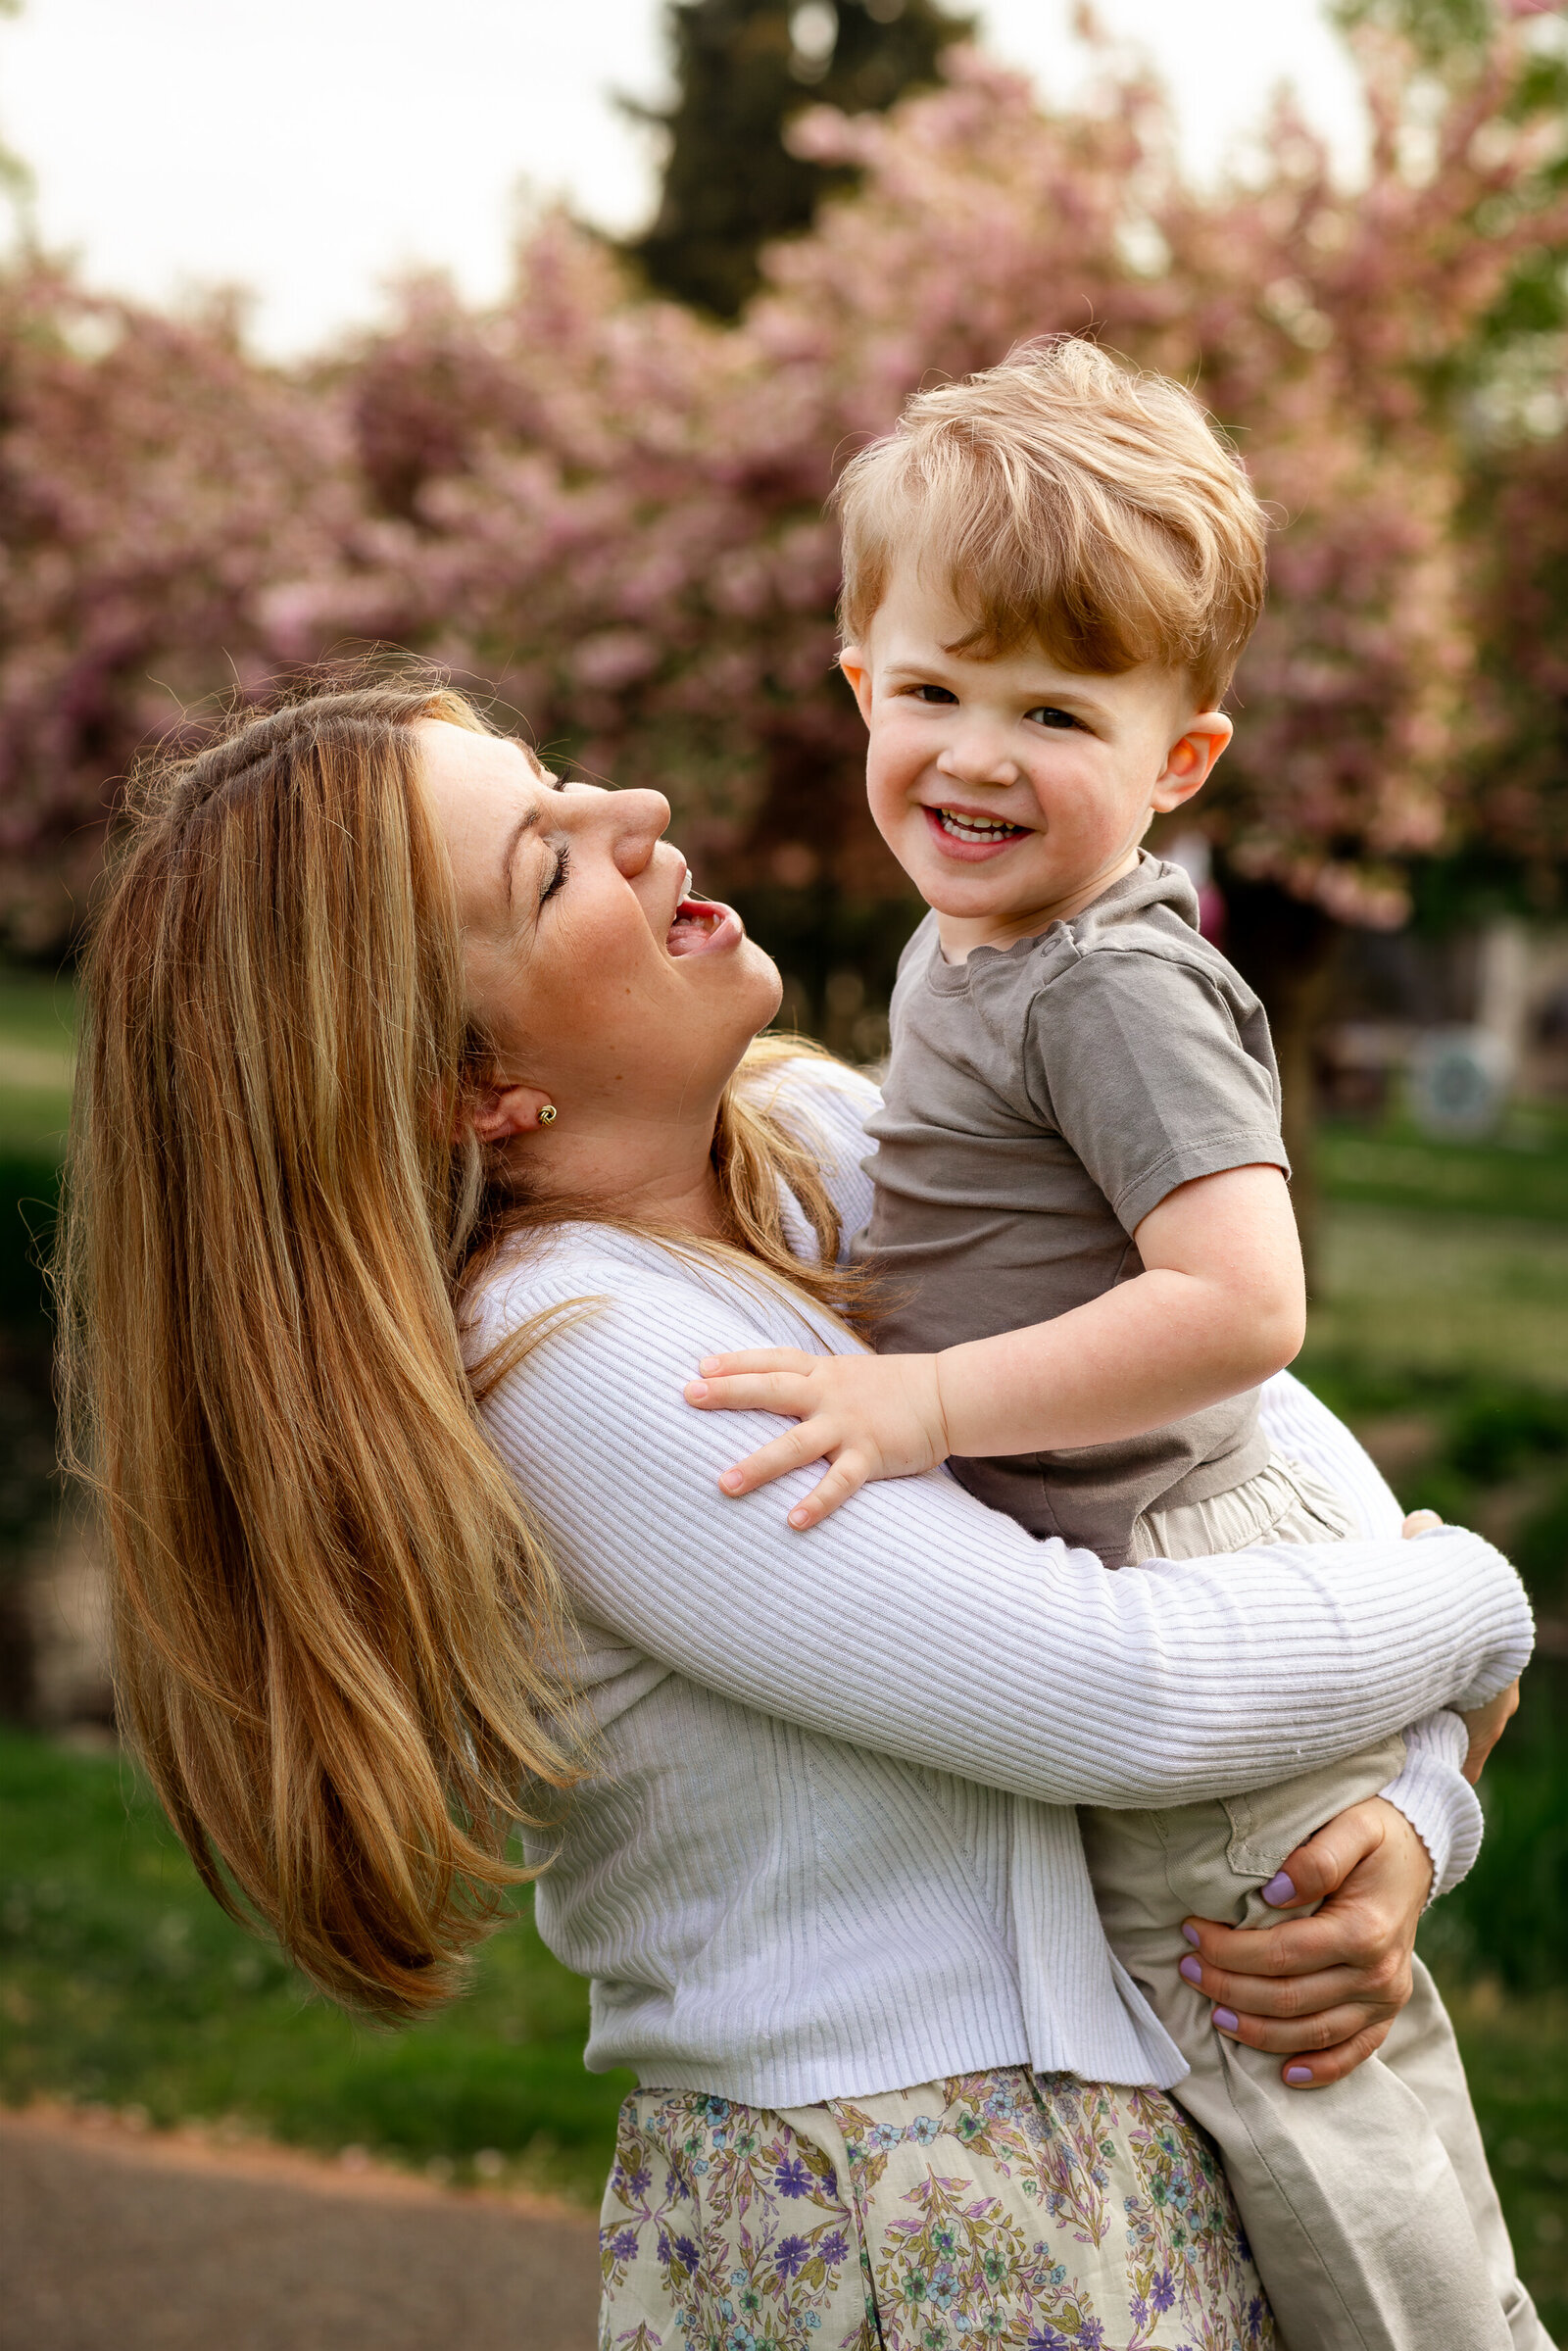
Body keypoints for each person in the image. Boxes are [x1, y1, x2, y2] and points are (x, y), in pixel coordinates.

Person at [61, 676, 1534, 2351]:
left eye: (564, 773)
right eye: (550, 868)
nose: (637, 815)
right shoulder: (578, 1362)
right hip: (896, 2222)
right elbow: (1113, 1694)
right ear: (471, 1091)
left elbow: (1252, 1465)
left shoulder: (833, 1146)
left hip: (1134, 2167)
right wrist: (1481, 1600)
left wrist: (1416, 1813)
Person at [680, 343, 1547, 2350]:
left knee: (1297, 2083)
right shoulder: (969, 927)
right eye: (934, 692)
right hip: (1166, 1507)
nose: (975, 757)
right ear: (854, 684)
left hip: (1186, 1527)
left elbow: (1243, 1302)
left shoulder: (1110, 983)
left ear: (1179, 760)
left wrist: (926, 1404)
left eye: (1054, 712)